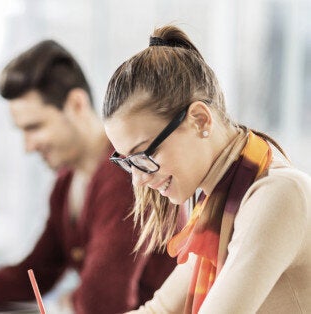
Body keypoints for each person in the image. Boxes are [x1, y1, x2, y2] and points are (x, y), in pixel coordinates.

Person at [102, 25, 311, 313]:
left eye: (144, 154)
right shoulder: (217, 208)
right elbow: (158, 311)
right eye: (128, 162)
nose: (137, 180)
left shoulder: (277, 195)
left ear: (200, 120)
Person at [0, 40, 179, 314]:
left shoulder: (127, 175)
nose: (27, 146)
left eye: (35, 127)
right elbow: (35, 274)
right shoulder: (66, 183)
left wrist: (73, 300)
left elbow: (101, 302)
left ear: (77, 104)